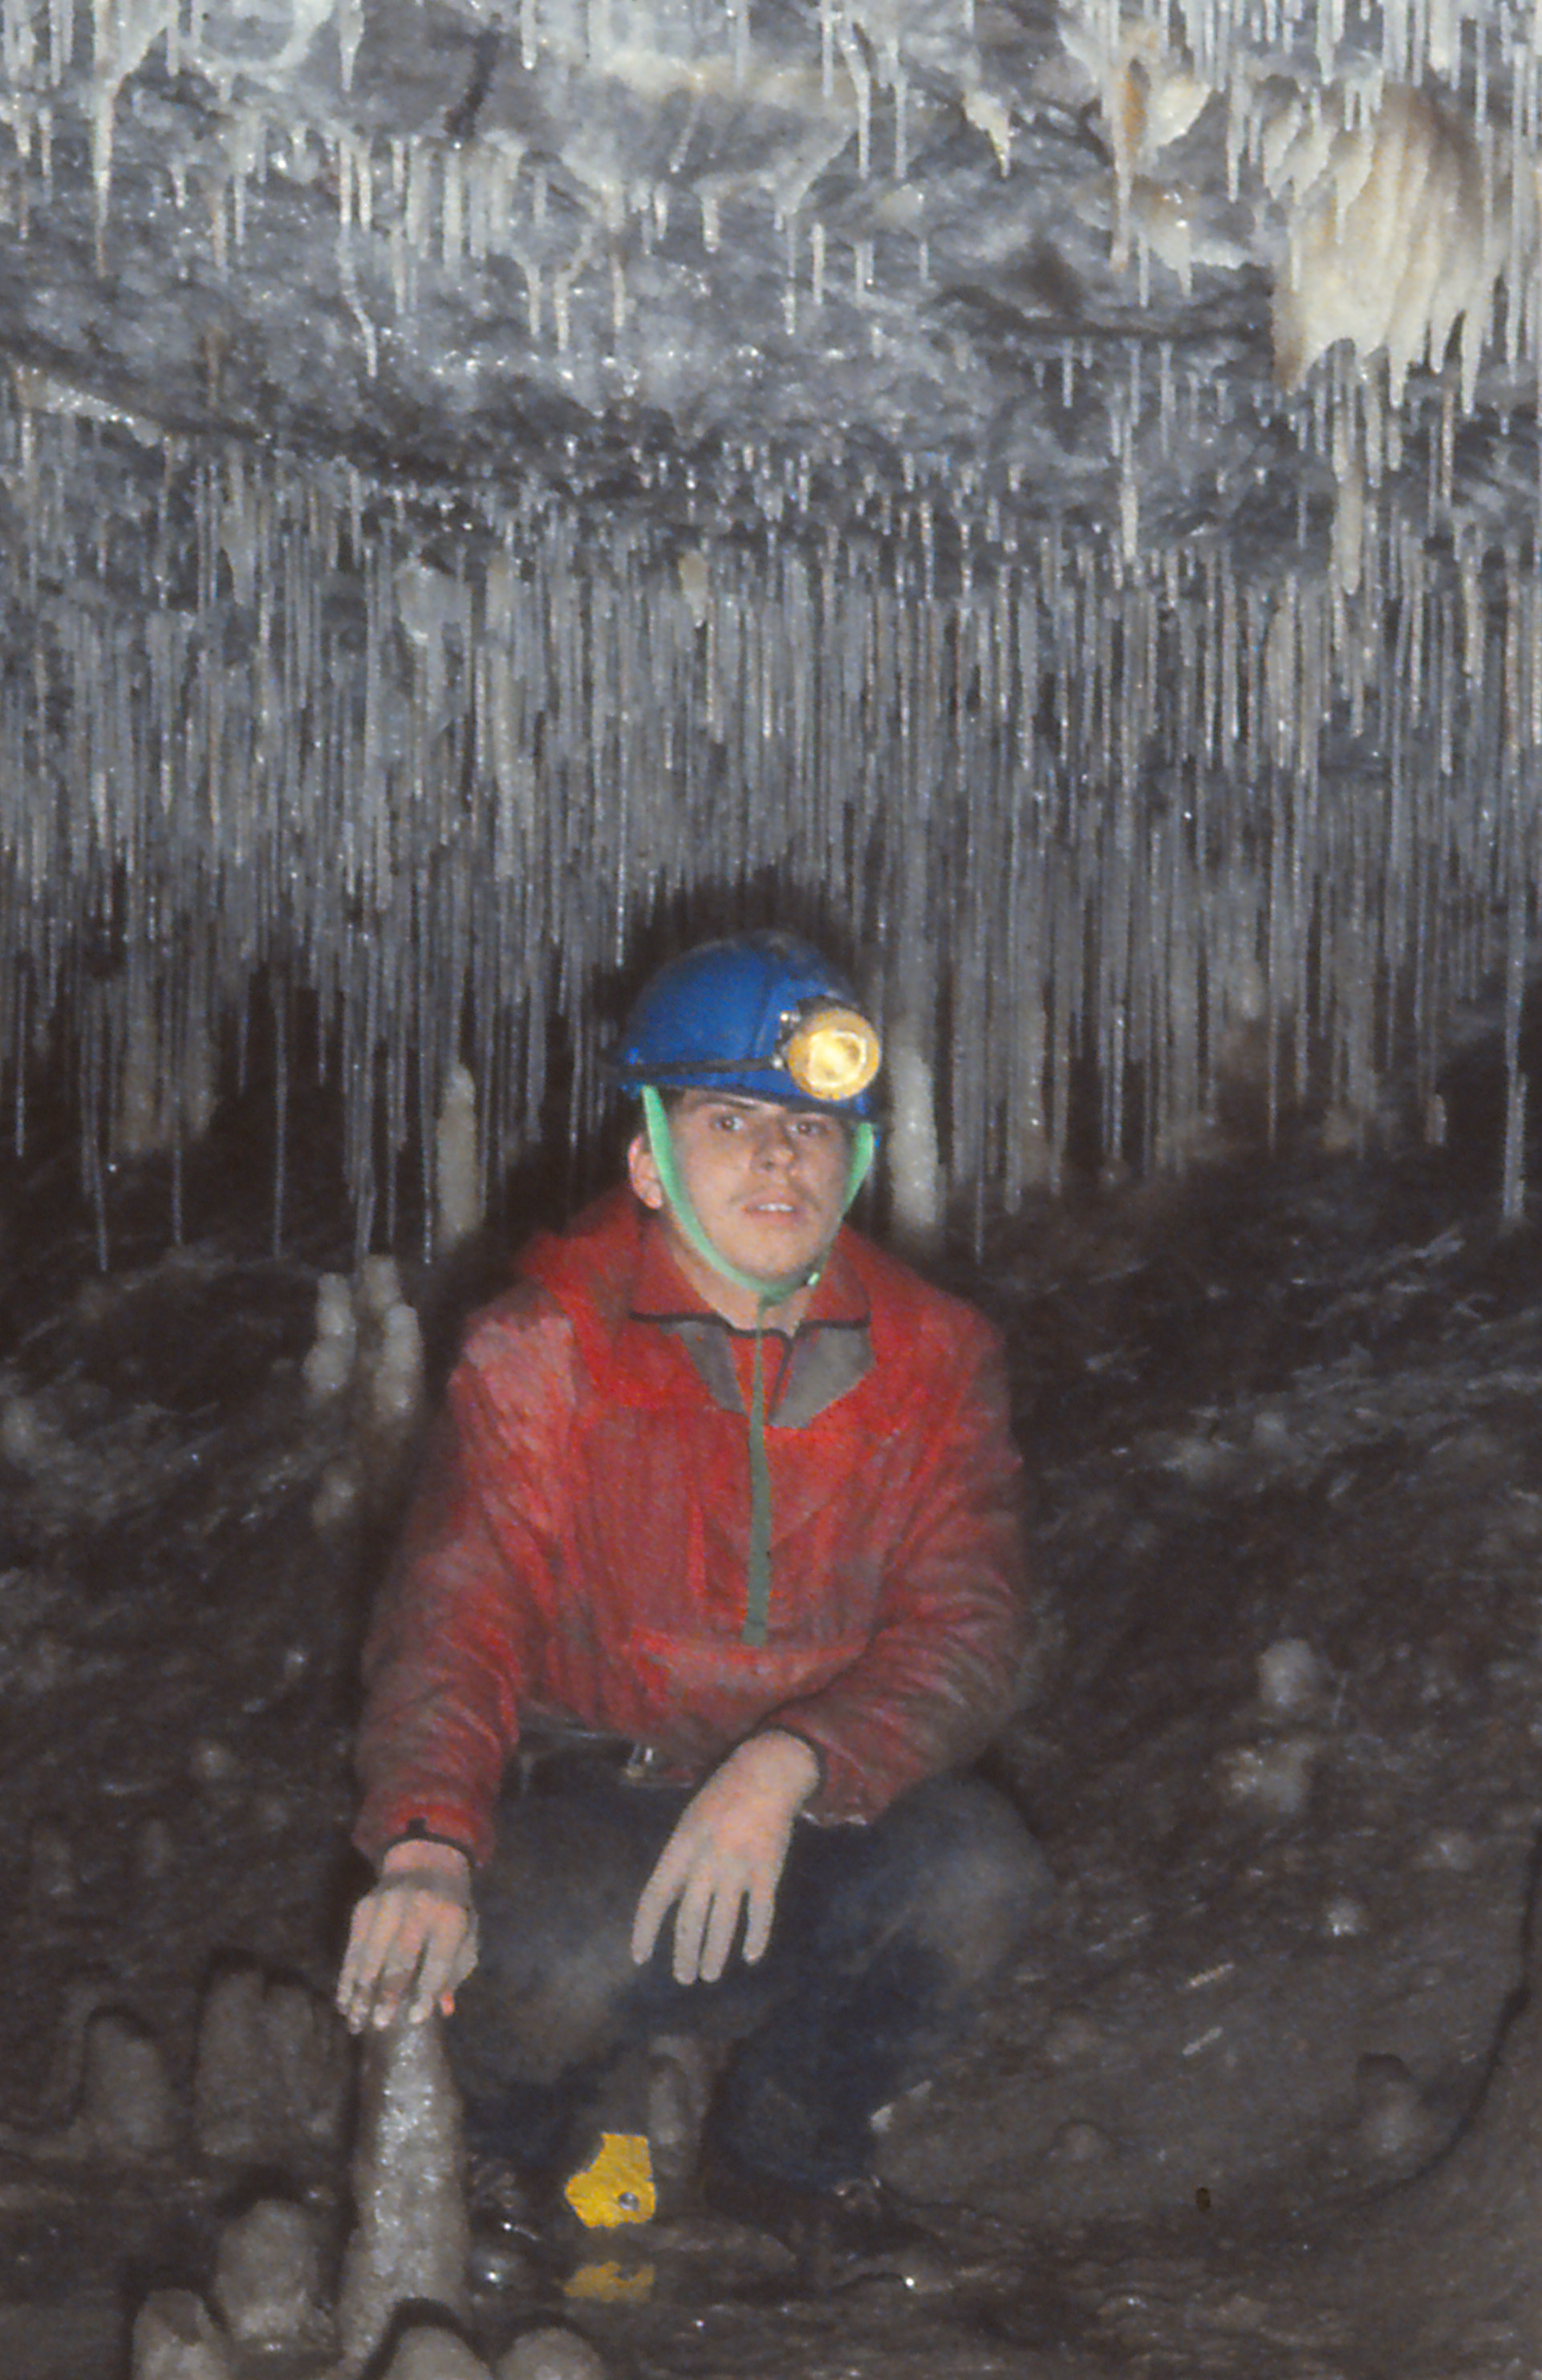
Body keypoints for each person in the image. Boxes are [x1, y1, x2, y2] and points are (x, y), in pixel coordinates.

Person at [332, 934, 1049, 2253]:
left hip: (814, 1803)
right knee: (546, 1958)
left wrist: (792, 1763)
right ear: (650, 1160)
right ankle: (500, 2146)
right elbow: (460, 1612)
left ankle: (790, 2150)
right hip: (596, 1801)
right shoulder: (544, 1351)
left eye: (812, 1130)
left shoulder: (934, 1359)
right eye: (733, 1120)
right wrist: (427, 1838)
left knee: (975, 1872)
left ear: (858, 1164)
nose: (782, 1157)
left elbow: (969, 1629)